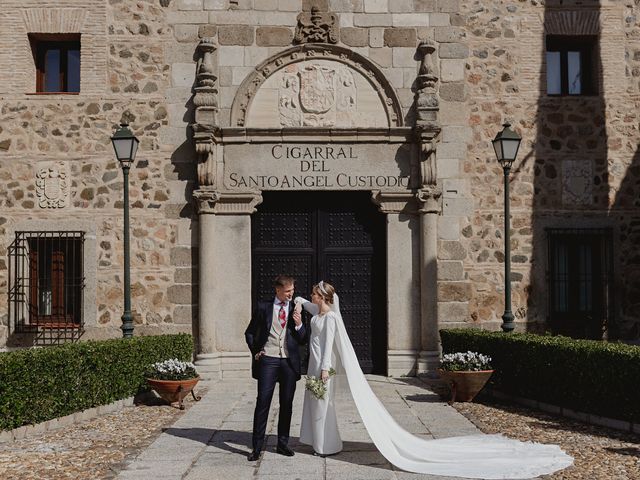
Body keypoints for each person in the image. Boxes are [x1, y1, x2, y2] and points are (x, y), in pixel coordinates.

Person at [295, 281, 574, 479]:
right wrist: (297, 301)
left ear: (324, 297)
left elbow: (330, 343)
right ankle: (317, 441)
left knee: (323, 406)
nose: (311, 296)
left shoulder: (331, 320)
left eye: (313, 294)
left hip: (322, 370)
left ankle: (325, 445)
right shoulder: (318, 313)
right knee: (316, 405)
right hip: (313, 366)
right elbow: (308, 308)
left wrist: (325, 370)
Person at [244, 275, 308, 461]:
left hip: (289, 362)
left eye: (292, 290)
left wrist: (298, 324)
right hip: (268, 360)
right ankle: (256, 447)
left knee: (286, 404)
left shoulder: (297, 309)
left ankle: (282, 444)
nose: (291, 294)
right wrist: (256, 351)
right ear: (278, 290)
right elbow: (249, 332)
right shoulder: (263, 307)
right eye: (288, 291)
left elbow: (303, 339)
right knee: (263, 402)